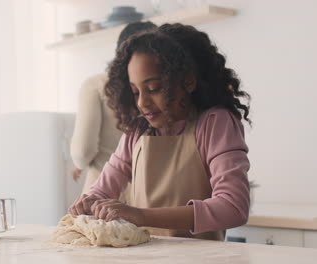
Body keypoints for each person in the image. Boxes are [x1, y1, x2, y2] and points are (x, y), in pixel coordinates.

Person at [68, 23, 251, 241]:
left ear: (188, 81)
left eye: (153, 89)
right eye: (136, 92)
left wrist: (140, 215)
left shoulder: (215, 123)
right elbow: (102, 189)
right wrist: (89, 202)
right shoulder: (138, 131)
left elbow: (233, 207)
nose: (143, 103)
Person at [71, 21, 157, 195]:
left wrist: (81, 163)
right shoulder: (163, 90)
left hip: (101, 191)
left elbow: (82, 151)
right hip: (149, 194)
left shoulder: (95, 85)